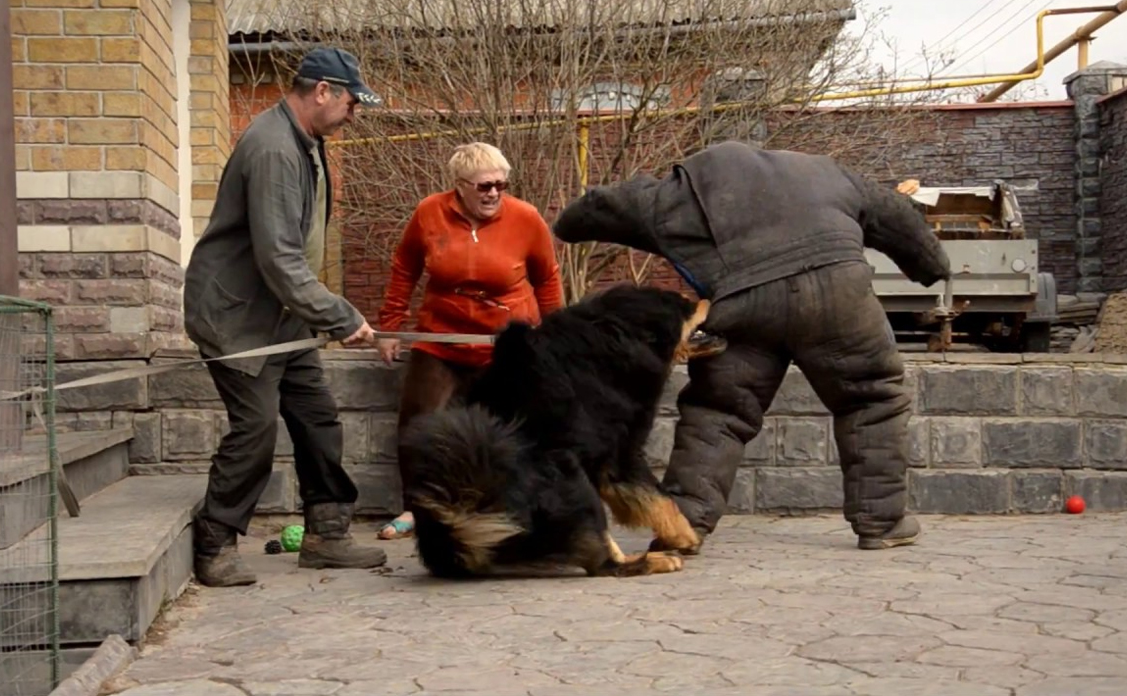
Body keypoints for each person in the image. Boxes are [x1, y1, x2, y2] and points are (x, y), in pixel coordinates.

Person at [549, 140, 951, 551]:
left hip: (745, 304)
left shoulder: (682, 191)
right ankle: (882, 524)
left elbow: (603, 206)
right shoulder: (830, 173)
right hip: (839, 298)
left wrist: (565, 227)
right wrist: (933, 268)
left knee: (717, 412)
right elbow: (898, 217)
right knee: (872, 398)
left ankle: (685, 523)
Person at [182, 46, 389, 587]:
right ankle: (216, 542)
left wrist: (320, 313)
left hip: (280, 316)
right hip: (237, 317)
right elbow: (278, 256)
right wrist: (340, 315)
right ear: (322, 91)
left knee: (317, 418)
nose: (354, 114)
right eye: (350, 103)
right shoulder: (274, 148)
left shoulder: (306, 141)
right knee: (255, 428)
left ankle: (326, 534)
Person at [374, 141, 565, 540]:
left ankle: (517, 506)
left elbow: (547, 279)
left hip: (507, 343)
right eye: (484, 186)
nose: (494, 193)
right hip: (442, 337)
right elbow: (404, 268)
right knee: (419, 424)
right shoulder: (430, 213)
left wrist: (554, 336)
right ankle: (416, 509)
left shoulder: (526, 219)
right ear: (459, 186)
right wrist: (391, 326)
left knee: (516, 426)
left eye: (501, 185)